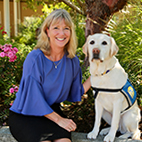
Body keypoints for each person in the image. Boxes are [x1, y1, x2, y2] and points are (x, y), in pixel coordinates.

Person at [9, 9, 91, 142]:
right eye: (56, 28)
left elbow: (76, 92)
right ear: (47, 31)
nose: (61, 33)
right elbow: (33, 97)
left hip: (51, 111)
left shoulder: (73, 61)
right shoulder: (35, 58)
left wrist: (95, 77)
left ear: (71, 32)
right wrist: (59, 120)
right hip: (25, 114)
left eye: (66, 28)